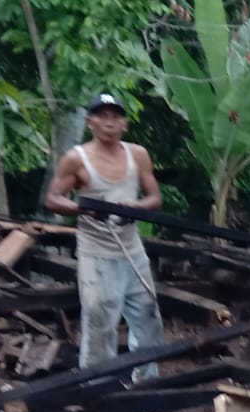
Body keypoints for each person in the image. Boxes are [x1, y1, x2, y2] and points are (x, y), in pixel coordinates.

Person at [45, 93, 165, 382]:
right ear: (91, 123)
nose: (109, 122)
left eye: (115, 116)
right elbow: (53, 198)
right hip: (96, 252)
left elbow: (154, 198)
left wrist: (135, 208)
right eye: (102, 116)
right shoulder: (77, 158)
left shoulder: (137, 155)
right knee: (100, 320)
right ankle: (96, 384)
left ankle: (147, 380)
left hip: (132, 249)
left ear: (125, 124)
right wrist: (83, 209)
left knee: (148, 314)